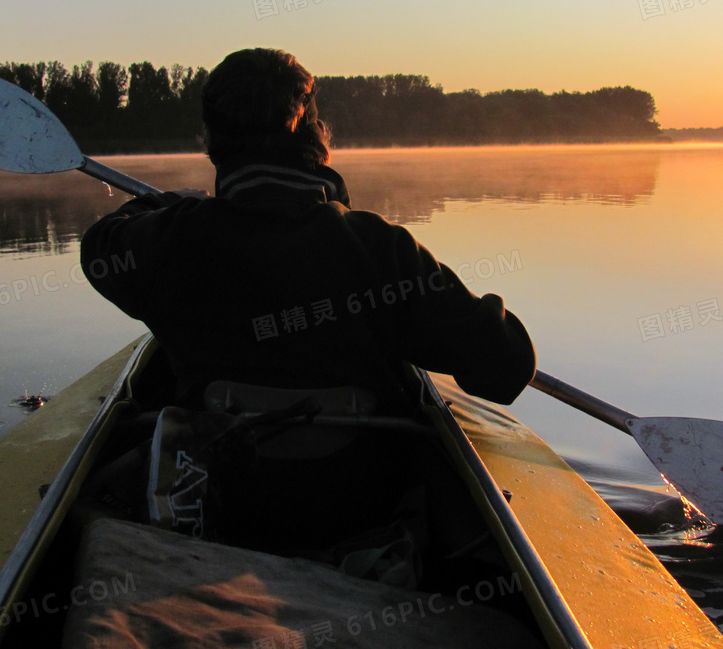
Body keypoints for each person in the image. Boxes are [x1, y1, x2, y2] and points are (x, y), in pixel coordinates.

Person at [80, 48, 536, 416]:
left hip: (220, 492)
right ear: (315, 136)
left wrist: (170, 203)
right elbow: (508, 365)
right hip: (354, 498)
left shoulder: (172, 241)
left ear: (213, 144)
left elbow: (99, 248)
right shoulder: (381, 248)